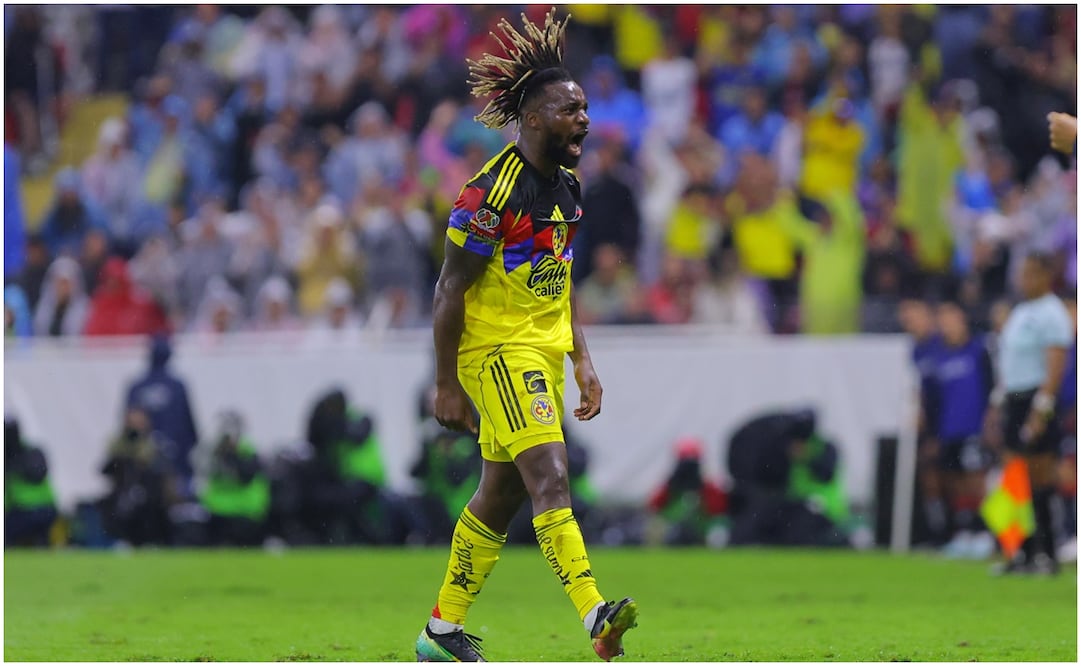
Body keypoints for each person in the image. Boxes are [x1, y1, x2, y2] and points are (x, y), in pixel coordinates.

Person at [417, 10, 637, 663]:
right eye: (571, 110)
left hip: (540, 350)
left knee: (502, 493)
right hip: (497, 353)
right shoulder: (489, 195)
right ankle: (595, 612)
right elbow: (448, 288)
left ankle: (440, 630)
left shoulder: (568, 189)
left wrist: (582, 359)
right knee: (550, 476)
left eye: (585, 109)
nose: (584, 121)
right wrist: (446, 381)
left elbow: (557, 282)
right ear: (534, 118)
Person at [987, 253, 1073, 575]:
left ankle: (1047, 554)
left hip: (1036, 398)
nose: (1026, 280)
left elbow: (1056, 365)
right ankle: (1019, 553)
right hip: (1014, 397)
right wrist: (998, 402)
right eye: (1023, 274)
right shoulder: (1020, 312)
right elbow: (1009, 362)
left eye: (1033, 274)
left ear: (1047, 276)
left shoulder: (1053, 314)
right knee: (1014, 479)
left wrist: (1042, 407)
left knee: (1040, 476)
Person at [928, 301, 995, 558]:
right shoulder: (939, 356)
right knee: (953, 482)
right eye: (942, 319)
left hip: (973, 427)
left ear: (962, 319)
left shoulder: (978, 350)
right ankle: (964, 532)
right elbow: (933, 399)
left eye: (950, 318)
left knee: (975, 481)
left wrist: (990, 421)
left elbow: (990, 386)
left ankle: (983, 533)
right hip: (948, 429)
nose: (946, 325)